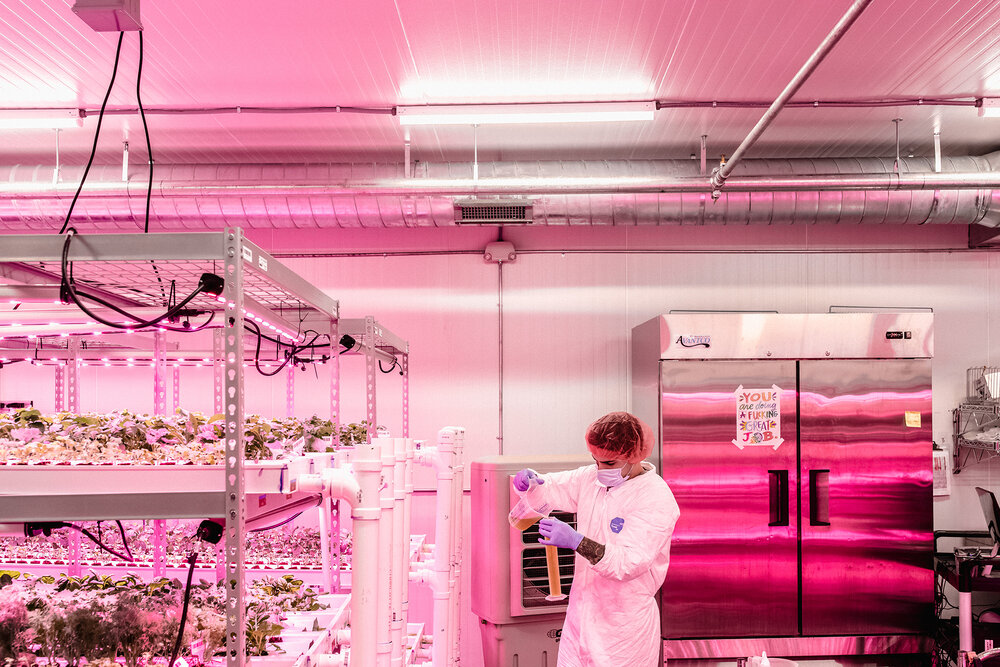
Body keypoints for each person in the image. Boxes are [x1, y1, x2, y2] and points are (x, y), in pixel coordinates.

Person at [513, 411, 680, 667]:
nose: (600, 469)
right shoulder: (590, 477)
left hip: (623, 629)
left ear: (635, 456)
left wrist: (577, 541)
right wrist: (530, 483)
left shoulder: (655, 498)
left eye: (610, 463)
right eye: (596, 460)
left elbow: (628, 564)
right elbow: (553, 487)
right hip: (582, 618)